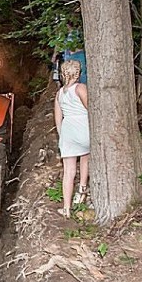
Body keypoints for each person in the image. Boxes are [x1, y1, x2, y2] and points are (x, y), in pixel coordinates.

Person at [54, 60, 90, 218]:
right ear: (79, 73)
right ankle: (82, 191)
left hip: (68, 129)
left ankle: (66, 209)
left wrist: (63, 136)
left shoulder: (60, 93)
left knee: (68, 171)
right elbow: (91, 107)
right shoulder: (81, 88)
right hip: (82, 126)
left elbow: (58, 118)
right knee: (85, 158)